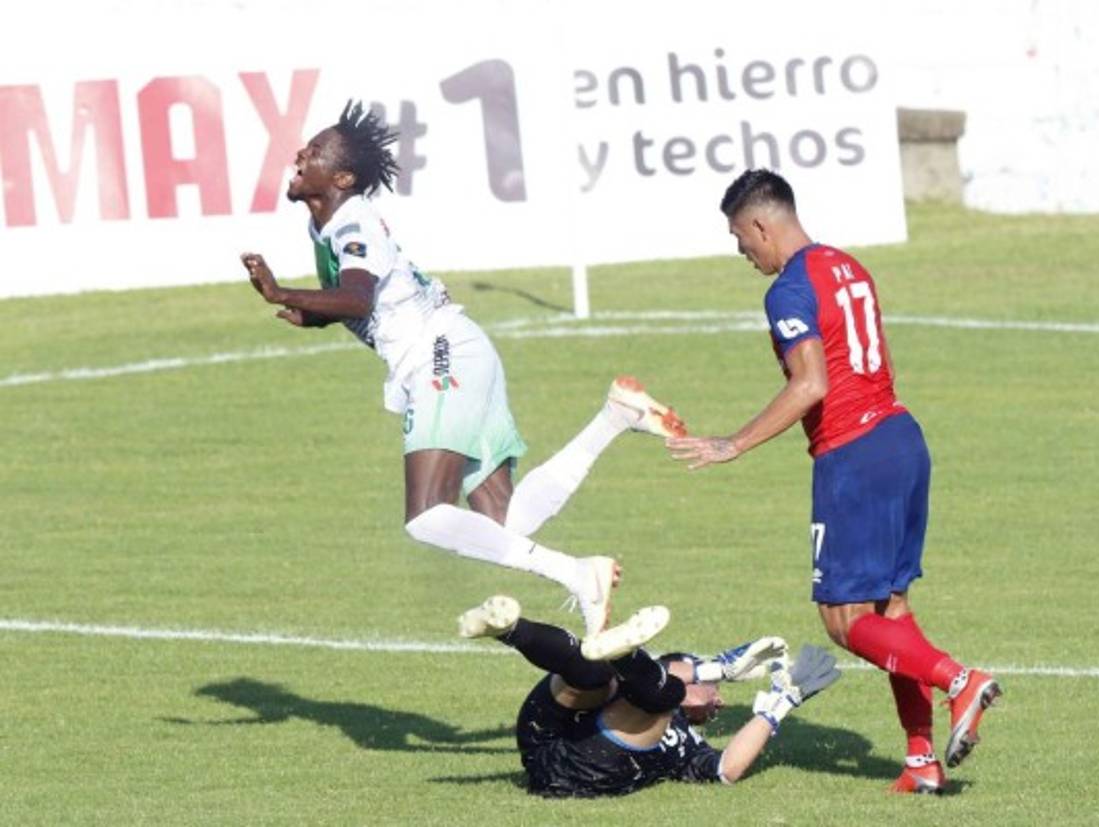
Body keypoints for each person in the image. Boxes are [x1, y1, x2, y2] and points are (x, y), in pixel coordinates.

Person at [239, 100, 687, 636]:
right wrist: (311, 314)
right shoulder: (328, 225)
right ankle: (613, 418)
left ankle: (577, 573)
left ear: (341, 176)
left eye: (311, 153)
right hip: (459, 349)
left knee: (427, 516)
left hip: (441, 355)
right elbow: (370, 301)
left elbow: (358, 299)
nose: (298, 155)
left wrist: (279, 291)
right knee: (502, 524)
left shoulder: (351, 220)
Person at [666, 169, 1001, 794]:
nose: (743, 253)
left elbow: (812, 384)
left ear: (763, 225)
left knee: (842, 621)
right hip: (902, 438)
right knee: (891, 611)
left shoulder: (789, 290)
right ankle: (921, 758)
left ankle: (962, 681)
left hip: (854, 456)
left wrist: (733, 443)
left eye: (741, 238)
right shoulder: (849, 268)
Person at [457, 593, 840, 797]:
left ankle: (625, 655)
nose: (720, 703)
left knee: (655, 694)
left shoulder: (691, 748)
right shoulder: (673, 679)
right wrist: (716, 669)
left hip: (579, 773)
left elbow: (728, 770)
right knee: (595, 671)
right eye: (717, 692)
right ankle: (509, 628)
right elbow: (675, 672)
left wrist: (781, 701)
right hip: (544, 736)